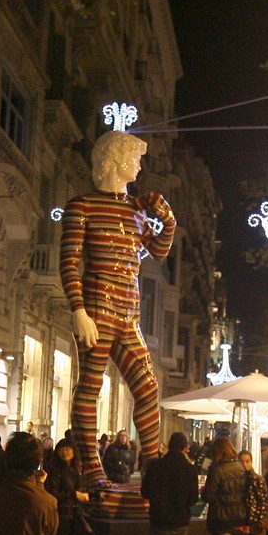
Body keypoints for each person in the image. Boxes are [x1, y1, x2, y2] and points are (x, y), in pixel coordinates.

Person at [61, 130, 176, 487]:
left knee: (148, 388)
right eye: (135, 158)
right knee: (90, 386)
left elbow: (157, 252)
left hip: (129, 315)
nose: (140, 166)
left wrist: (168, 221)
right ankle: (93, 470)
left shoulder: (134, 211)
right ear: (115, 160)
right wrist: (78, 310)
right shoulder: (81, 206)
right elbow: (69, 262)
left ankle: (153, 467)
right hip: (97, 308)